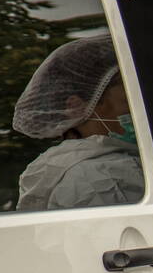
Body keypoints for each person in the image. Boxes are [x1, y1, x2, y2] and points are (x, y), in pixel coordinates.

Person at [12, 35, 143, 211]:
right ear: (76, 107)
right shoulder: (98, 178)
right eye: (128, 101)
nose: (139, 113)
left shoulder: (69, 168)